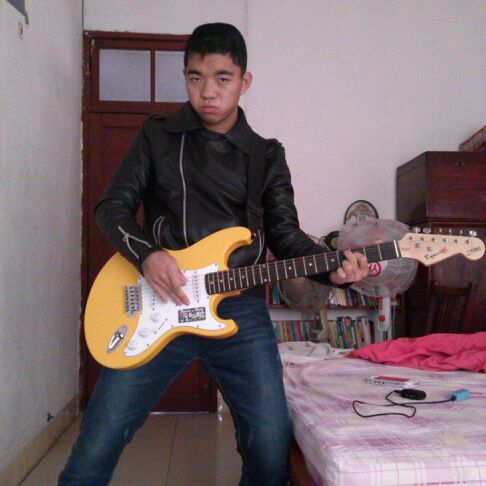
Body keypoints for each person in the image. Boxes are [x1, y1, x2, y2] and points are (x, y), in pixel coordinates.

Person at [59, 23, 368, 486]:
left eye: (223, 78)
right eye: (195, 77)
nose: (208, 92)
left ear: (245, 81)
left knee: (269, 447)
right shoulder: (157, 135)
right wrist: (147, 255)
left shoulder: (266, 155)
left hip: (239, 308)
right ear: (185, 77)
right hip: (157, 300)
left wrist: (333, 268)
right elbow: (111, 207)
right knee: (97, 441)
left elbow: (286, 237)